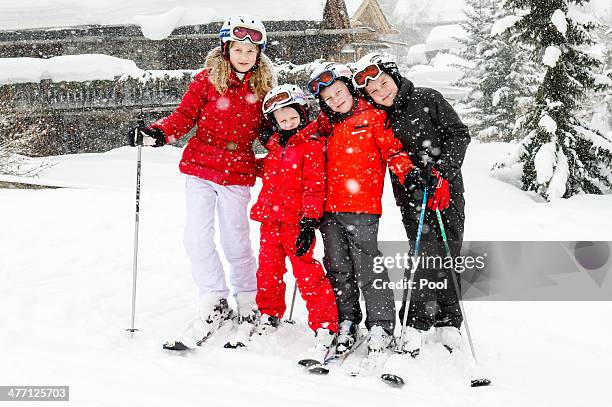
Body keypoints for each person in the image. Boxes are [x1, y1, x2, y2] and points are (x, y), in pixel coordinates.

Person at [128, 15, 276, 349]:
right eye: (238, 49)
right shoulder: (206, 81)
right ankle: (214, 298)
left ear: (259, 54)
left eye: (251, 51)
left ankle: (248, 300)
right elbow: (183, 117)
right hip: (200, 166)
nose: (243, 55)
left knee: (235, 240)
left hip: (238, 169)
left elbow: (274, 131)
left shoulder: (263, 89)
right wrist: (158, 133)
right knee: (196, 236)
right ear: (226, 49)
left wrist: (285, 151)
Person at [352, 53, 471, 356]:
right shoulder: (381, 117)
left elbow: (459, 134)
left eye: (384, 83)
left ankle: (448, 320)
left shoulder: (427, 98)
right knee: (424, 253)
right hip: (412, 195)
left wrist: (443, 172)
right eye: (374, 91)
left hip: (446, 189)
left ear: (394, 76)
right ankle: (415, 323)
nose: (381, 92)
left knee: (448, 251)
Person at [307, 62, 416, 356]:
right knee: (338, 269)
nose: (336, 100)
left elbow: (393, 151)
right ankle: (347, 320)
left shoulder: (373, 117)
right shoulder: (322, 128)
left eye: (339, 92)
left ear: (349, 88)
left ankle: (380, 325)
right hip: (328, 213)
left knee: (368, 269)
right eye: (328, 99)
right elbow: (301, 149)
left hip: (362, 209)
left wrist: (410, 173)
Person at [249, 84, 338, 361]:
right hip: (269, 221)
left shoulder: (311, 147)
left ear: (303, 114)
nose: (288, 124)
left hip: (295, 224)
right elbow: (268, 170)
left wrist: (309, 222)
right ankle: (269, 313)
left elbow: (314, 186)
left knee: (307, 274)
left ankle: (325, 325)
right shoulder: (276, 148)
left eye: (293, 118)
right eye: (281, 120)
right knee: (267, 271)